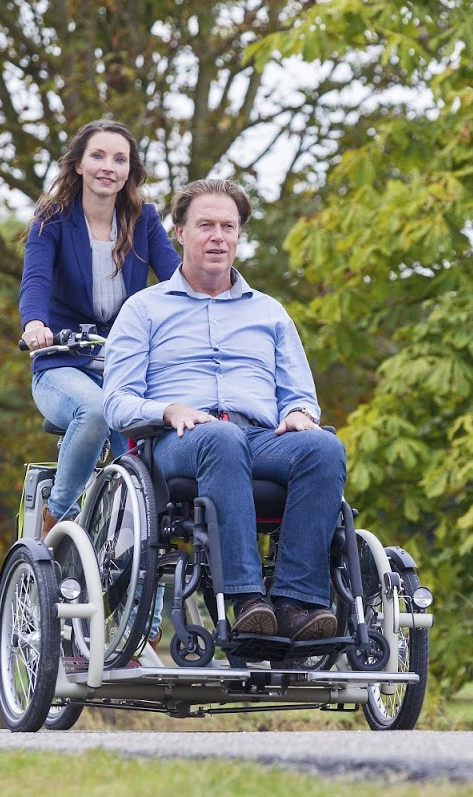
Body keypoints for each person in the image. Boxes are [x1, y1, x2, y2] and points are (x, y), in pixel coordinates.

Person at [102, 178, 345, 641]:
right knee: (221, 436)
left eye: (228, 227)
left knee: (322, 446)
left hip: (259, 436)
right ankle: (246, 599)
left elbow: (299, 392)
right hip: (181, 440)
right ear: (180, 233)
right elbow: (116, 402)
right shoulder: (144, 309)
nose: (218, 237)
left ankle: (296, 604)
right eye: (206, 225)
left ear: (238, 236)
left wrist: (298, 413)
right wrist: (168, 409)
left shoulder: (270, 312)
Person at [18, 118, 181, 540]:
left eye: (119, 159)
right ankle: (59, 515)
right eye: (98, 156)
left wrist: (205, 308)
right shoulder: (51, 218)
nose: (108, 166)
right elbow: (35, 279)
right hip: (62, 363)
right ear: (78, 165)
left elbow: (175, 279)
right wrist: (35, 324)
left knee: (146, 462)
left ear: (129, 170)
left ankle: (139, 565)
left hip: (123, 367)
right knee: (92, 409)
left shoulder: (142, 219)